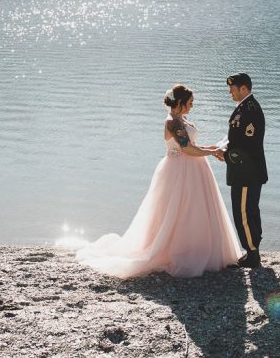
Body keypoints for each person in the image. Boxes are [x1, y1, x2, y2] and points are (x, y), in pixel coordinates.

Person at [76, 84, 242, 278]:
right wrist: (213, 152)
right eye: (189, 103)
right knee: (177, 210)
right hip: (178, 170)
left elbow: (192, 145)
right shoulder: (171, 122)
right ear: (179, 103)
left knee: (195, 209)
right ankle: (178, 250)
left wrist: (210, 147)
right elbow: (186, 149)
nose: (191, 106)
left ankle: (198, 248)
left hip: (194, 168)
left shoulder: (181, 119)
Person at [215, 72, 268, 269]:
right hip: (244, 170)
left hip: (247, 172)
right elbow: (236, 138)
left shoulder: (250, 110)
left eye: (232, 89)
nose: (230, 92)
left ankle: (252, 254)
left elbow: (248, 145)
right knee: (248, 210)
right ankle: (252, 251)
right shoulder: (244, 108)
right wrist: (223, 147)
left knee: (244, 212)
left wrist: (226, 155)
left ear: (243, 88)